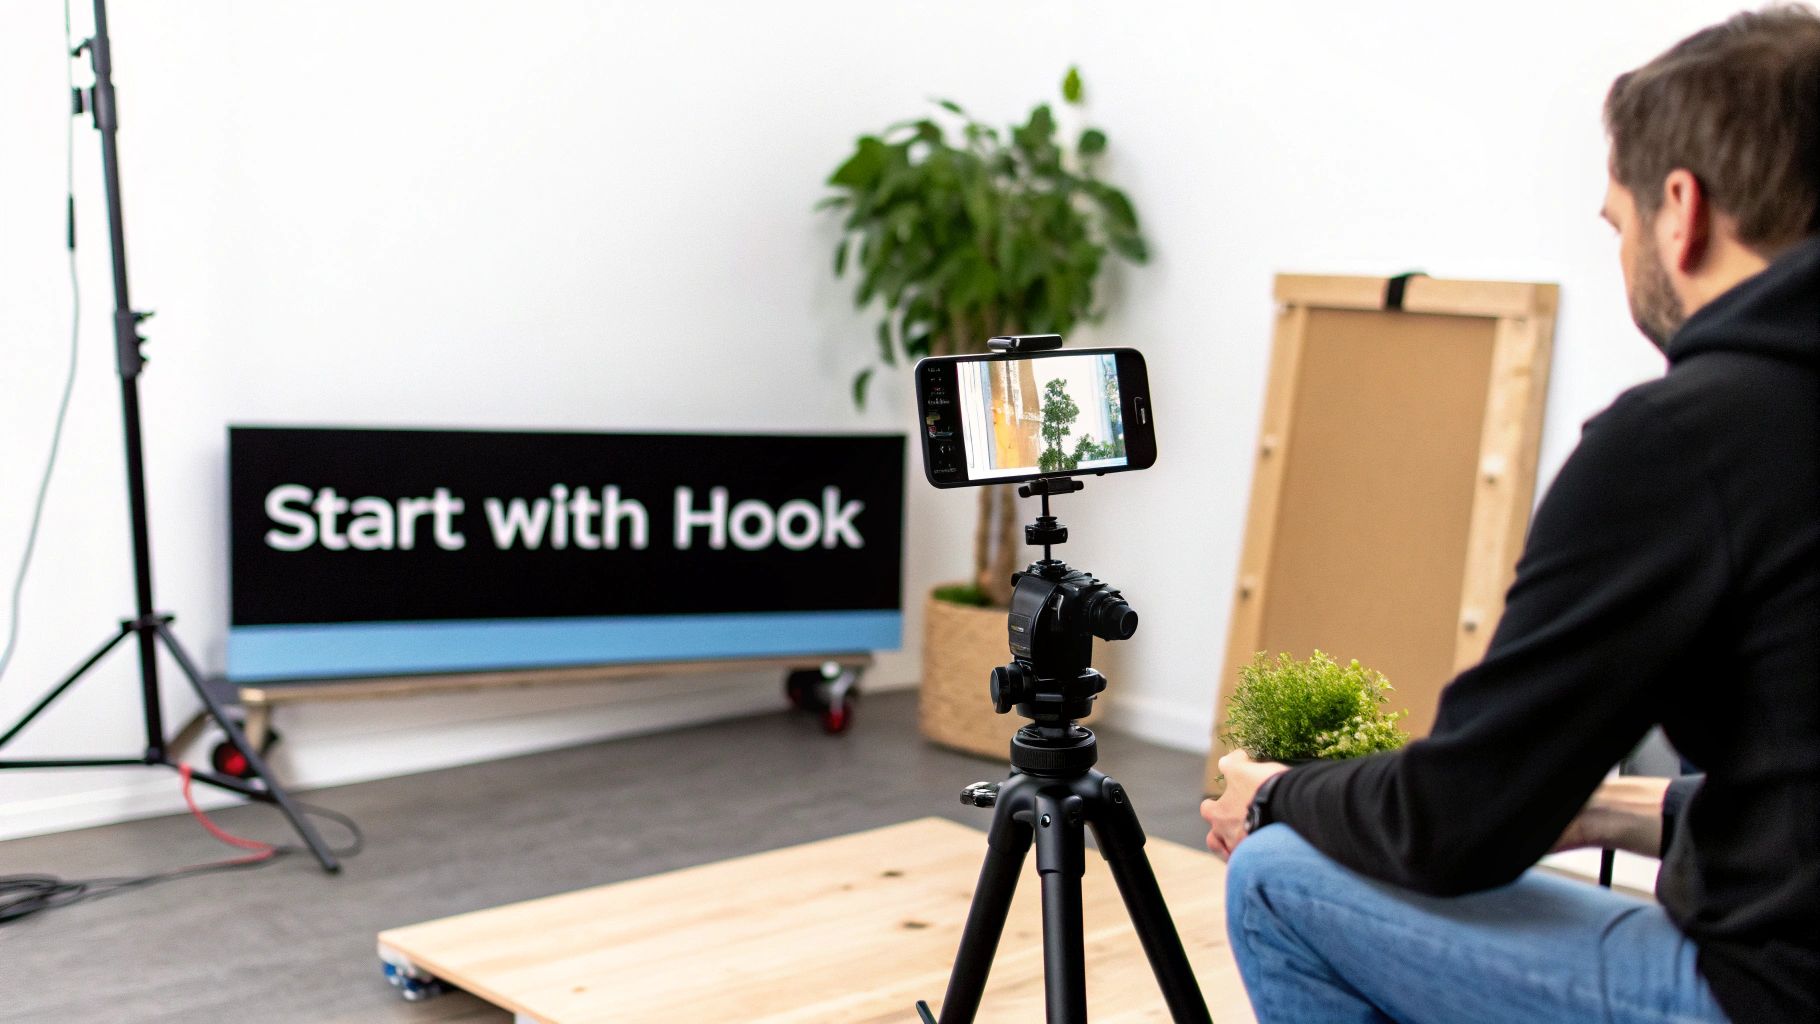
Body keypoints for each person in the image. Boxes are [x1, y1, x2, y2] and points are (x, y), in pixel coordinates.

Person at [1199, 7, 1820, 1022]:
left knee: (1275, 877)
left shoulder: (1684, 437)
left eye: (1615, 227)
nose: (1623, 258)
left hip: (1764, 995)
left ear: (1681, 209)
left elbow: (1451, 826)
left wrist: (1277, 793)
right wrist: (1610, 808)